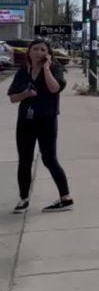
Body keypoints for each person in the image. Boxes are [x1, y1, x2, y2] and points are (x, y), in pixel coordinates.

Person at [7, 38, 72, 213]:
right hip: (26, 121)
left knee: (49, 158)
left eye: (43, 49)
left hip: (47, 119)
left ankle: (65, 198)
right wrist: (25, 94)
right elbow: (13, 98)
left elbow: (54, 89)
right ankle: (24, 198)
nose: (39, 52)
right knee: (25, 159)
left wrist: (46, 68)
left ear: (48, 53)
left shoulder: (54, 69)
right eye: (35, 49)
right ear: (29, 52)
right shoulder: (23, 72)